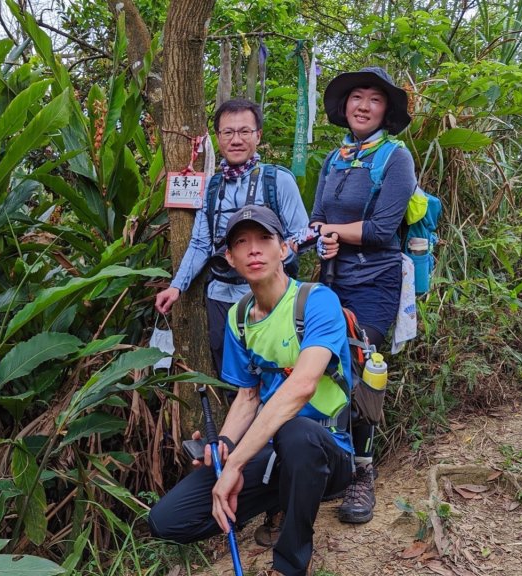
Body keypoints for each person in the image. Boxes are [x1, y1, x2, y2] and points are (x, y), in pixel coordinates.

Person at [148, 205, 353, 576]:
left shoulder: (317, 301)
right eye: (241, 242)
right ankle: (275, 499)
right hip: (272, 450)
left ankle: (289, 564)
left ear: (285, 249)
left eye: (264, 239)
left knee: (297, 434)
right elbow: (247, 396)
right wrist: (224, 445)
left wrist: (237, 464)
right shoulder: (238, 316)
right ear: (230, 257)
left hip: (326, 448)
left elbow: (302, 386)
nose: (253, 250)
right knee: (167, 519)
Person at [312, 66, 416, 525]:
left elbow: (381, 230)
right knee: (322, 365)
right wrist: (323, 237)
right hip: (331, 280)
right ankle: (328, 465)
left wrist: (334, 231)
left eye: (375, 100)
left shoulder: (396, 158)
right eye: (357, 97)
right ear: (345, 106)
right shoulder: (333, 158)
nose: (364, 106)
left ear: (386, 111)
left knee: (359, 365)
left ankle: (362, 474)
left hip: (375, 281)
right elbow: (317, 218)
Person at [154, 99, 309, 374]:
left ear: (258, 136)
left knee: (277, 367)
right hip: (221, 295)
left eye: (244, 132)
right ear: (218, 137)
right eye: (228, 132)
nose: (236, 140)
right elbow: (201, 243)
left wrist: (269, 267)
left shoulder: (277, 181)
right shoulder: (212, 187)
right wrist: (176, 286)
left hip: (272, 295)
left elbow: (300, 234)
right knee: (231, 372)